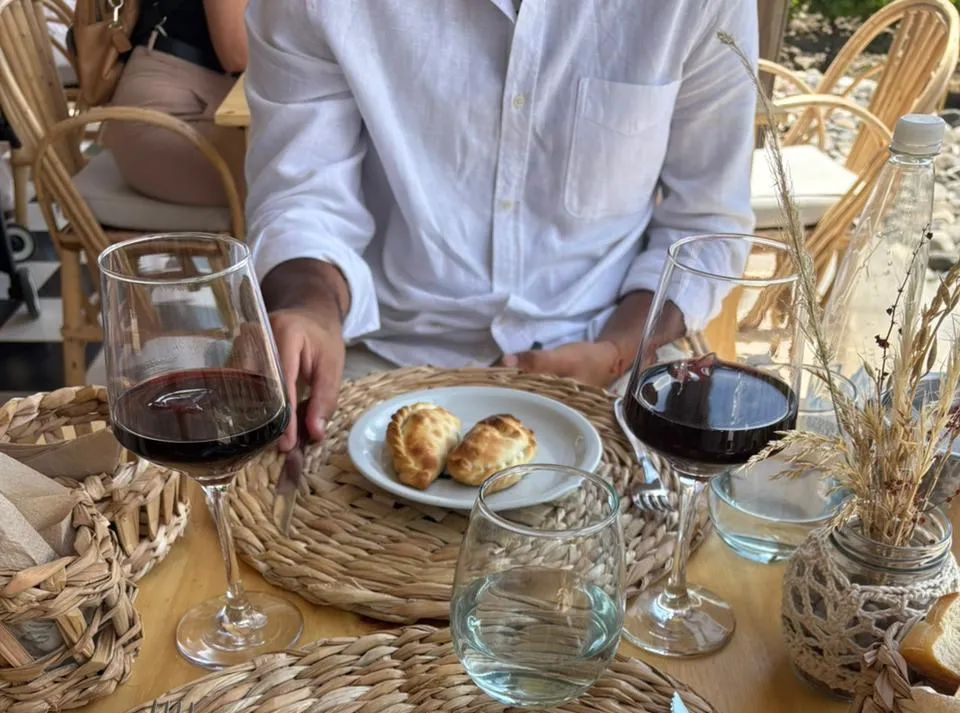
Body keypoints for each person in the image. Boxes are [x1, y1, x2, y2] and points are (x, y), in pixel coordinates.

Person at [244, 1, 758, 450]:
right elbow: (303, 196)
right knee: (277, 515)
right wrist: (308, 309)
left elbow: (704, 223)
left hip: (611, 350)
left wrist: (618, 350)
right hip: (379, 351)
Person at [105, 0, 247, 207]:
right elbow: (237, 53)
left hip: (197, 100)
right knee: (289, 170)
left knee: (290, 155)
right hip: (165, 121)